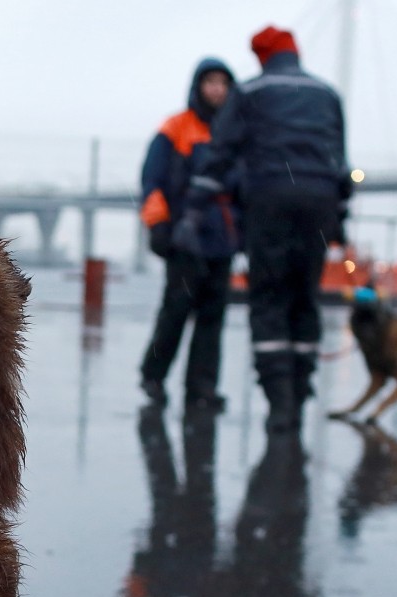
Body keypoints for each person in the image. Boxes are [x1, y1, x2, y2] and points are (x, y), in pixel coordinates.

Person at [184, 25, 352, 433]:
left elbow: (220, 155)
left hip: (270, 204)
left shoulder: (252, 93)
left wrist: (192, 211)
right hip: (318, 206)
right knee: (303, 296)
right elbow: (341, 164)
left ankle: (279, 401)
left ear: (262, 57)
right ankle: (300, 388)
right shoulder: (327, 95)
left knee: (270, 299)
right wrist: (338, 215)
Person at [137, 58, 238, 413]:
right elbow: (152, 181)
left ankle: (203, 388)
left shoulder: (236, 132)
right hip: (185, 238)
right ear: (198, 86)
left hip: (222, 242)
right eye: (210, 82)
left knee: (213, 320)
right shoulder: (175, 128)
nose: (217, 89)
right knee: (175, 312)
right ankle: (153, 376)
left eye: (223, 83)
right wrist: (158, 225)